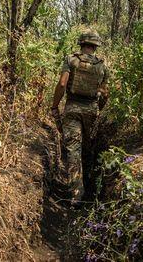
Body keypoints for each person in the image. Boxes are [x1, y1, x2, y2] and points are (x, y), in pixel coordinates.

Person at [51, 30, 109, 206]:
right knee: (88, 148)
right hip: (91, 110)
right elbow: (105, 93)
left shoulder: (71, 60)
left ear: (81, 44)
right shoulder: (102, 66)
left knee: (73, 150)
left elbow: (62, 84)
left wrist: (55, 106)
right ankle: (91, 186)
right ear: (95, 46)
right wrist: (97, 109)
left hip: (72, 109)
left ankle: (76, 193)